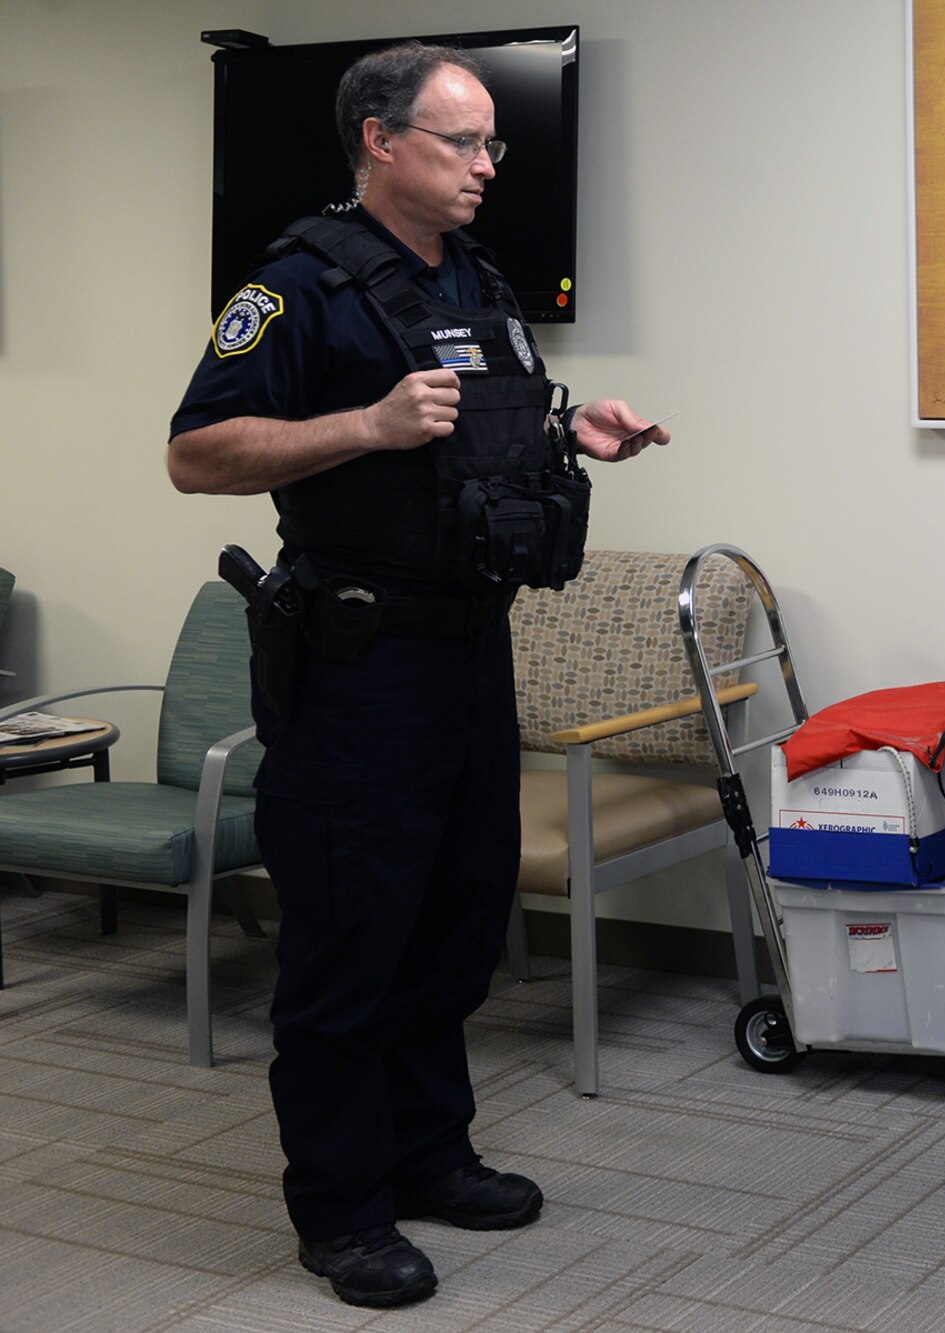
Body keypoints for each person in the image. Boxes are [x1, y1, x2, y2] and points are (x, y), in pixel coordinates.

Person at [167, 43, 665, 1309]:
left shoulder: (479, 280)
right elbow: (197, 452)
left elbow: (480, 434)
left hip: (466, 651)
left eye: (493, 142)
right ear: (381, 143)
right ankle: (339, 1208)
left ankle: (428, 1152)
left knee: (455, 919)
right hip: (357, 661)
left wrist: (574, 427)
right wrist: (363, 425)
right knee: (349, 938)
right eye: (463, 143)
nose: (488, 164)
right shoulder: (295, 289)